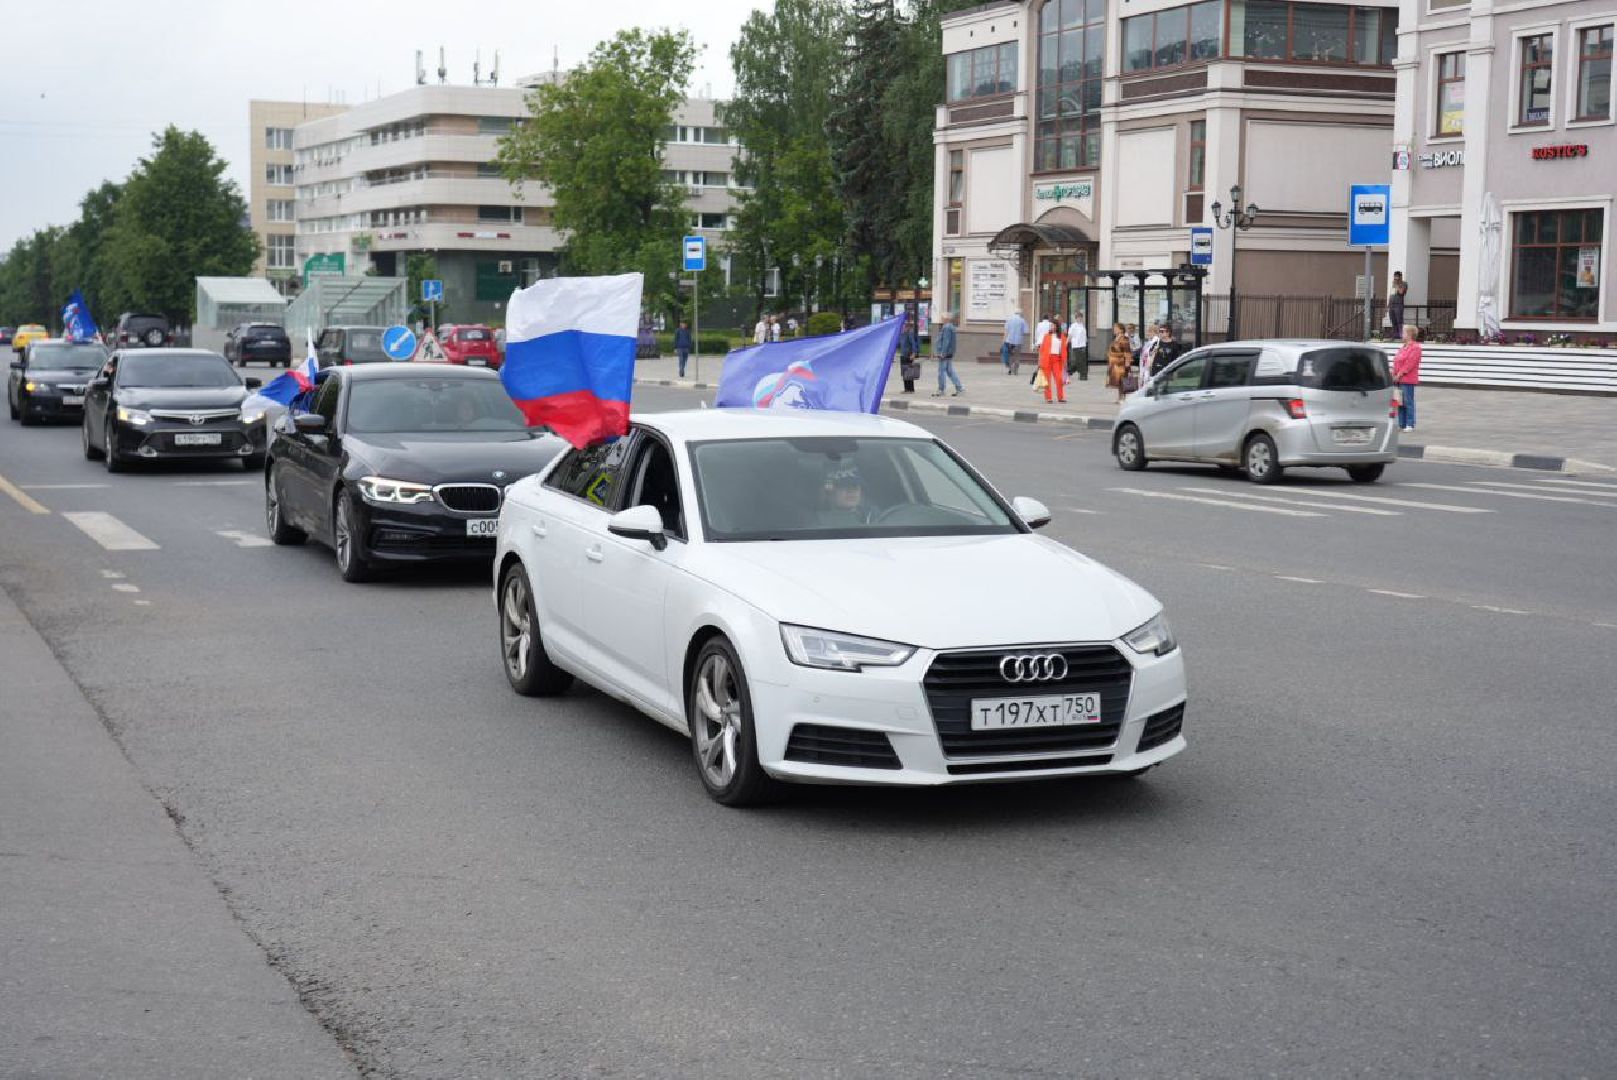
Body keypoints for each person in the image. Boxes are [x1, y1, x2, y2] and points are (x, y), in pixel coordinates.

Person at [1392, 324, 1422, 431]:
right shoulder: (1403, 347)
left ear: (1409, 334)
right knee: (1400, 402)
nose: (1402, 334)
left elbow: (1409, 364)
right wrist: (1393, 375)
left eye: (1404, 332)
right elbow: (1396, 362)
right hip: (1398, 380)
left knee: (1408, 401)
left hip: (1407, 379)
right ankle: (1401, 423)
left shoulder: (1415, 348)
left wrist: (1399, 374)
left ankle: (1410, 424)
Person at [931, 312, 962, 397]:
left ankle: (941, 390)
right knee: (950, 371)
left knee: (941, 372)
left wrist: (942, 353)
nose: (941, 319)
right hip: (949, 353)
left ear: (946, 319)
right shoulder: (950, 326)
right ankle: (959, 388)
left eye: (942, 318)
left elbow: (946, 341)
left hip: (944, 353)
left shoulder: (947, 327)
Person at [1038, 316, 1067, 404]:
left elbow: (1064, 350)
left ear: (1057, 327)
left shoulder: (1062, 337)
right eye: (1051, 326)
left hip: (1057, 360)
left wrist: (1065, 361)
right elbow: (1042, 349)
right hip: (1047, 359)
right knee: (1047, 380)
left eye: (1054, 326)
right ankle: (1048, 397)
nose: (1052, 327)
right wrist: (1040, 361)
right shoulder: (1046, 336)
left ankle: (1060, 397)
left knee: (1059, 379)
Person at [1106, 323, 1134, 403]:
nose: (1114, 329)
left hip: (1121, 363)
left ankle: (1123, 397)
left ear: (1121, 329)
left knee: (1122, 380)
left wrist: (1127, 364)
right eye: (1114, 328)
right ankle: (1119, 397)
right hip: (1114, 363)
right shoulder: (1116, 338)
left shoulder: (1124, 339)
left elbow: (1127, 352)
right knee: (1118, 381)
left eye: (1116, 328)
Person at [897, 316, 920, 393]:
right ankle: (907, 389)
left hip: (908, 355)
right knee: (904, 373)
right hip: (903, 355)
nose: (902, 327)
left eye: (903, 326)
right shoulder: (901, 334)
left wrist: (913, 353)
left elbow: (913, 344)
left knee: (909, 372)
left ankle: (910, 389)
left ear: (907, 327)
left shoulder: (909, 334)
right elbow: (898, 344)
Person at [1001, 309, 1028, 374]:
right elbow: (1026, 331)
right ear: (1020, 314)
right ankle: (1015, 370)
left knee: (1010, 355)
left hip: (1009, 341)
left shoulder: (1009, 320)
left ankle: (1010, 369)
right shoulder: (1022, 320)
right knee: (1017, 356)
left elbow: (1006, 331)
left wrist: (1003, 340)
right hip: (1018, 341)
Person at [1067, 312, 1088, 380]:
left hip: (1082, 345)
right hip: (1076, 345)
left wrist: (1085, 342)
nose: (1080, 319)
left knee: (1082, 361)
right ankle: (1071, 370)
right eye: (1078, 317)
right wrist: (1066, 342)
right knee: (1076, 361)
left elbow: (1084, 336)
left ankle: (1083, 375)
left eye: (1081, 317)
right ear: (1076, 318)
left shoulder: (1083, 325)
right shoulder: (1073, 325)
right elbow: (1070, 335)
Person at [1388, 272, 1408, 340]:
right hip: (1391, 305)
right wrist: (1388, 304)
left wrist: (1397, 284)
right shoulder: (1393, 284)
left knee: (1399, 321)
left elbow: (1401, 292)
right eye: (1394, 276)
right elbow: (1391, 294)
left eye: (1397, 276)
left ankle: (1401, 336)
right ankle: (1395, 335)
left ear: (1400, 277)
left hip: (1398, 305)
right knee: (1393, 321)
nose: (1395, 278)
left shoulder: (1404, 283)